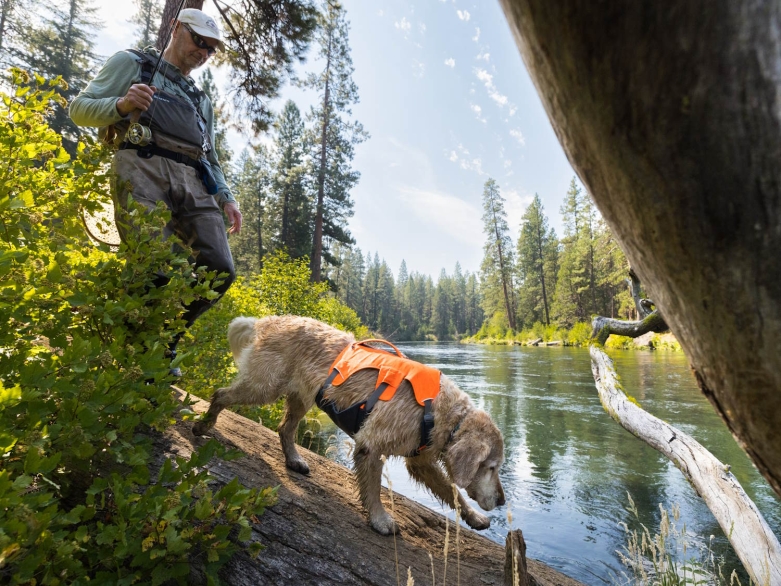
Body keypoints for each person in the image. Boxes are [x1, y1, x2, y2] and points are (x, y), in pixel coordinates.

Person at [70, 8, 242, 376]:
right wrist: (121, 105)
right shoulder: (131, 63)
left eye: (211, 49)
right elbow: (79, 109)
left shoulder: (201, 99)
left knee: (220, 268)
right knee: (154, 266)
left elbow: (211, 154)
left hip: (193, 179)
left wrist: (226, 197)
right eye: (200, 41)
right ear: (177, 29)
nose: (204, 53)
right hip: (141, 166)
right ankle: (137, 357)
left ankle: (164, 340)